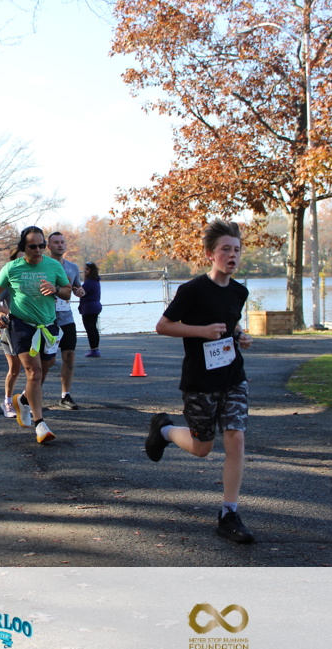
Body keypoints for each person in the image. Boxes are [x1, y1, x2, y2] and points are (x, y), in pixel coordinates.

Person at [146, 220, 255, 544]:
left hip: (233, 376)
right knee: (202, 447)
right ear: (210, 254)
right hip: (200, 380)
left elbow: (230, 324)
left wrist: (240, 335)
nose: (232, 255)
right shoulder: (192, 290)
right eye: (226, 249)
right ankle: (164, 430)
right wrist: (202, 332)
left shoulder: (240, 291)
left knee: (235, 439)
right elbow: (163, 326)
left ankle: (229, 513)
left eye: (237, 250)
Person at [0, 226, 71, 444]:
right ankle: (40, 424)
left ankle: (23, 400)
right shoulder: (12, 268)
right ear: (23, 247)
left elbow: (67, 291)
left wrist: (56, 289)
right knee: (33, 372)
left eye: (41, 245)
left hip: (48, 325)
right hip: (22, 325)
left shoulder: (53, 265)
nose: (38, 250)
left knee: (47, 366)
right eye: (33, 246)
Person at [47, 231, 85, 410]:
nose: (60, 245)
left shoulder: (72, 267)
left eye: (62, 242)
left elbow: (76, 286)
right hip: (47, 318)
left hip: (66, 318)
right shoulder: (43, 266)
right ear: (49, 246)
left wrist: (80, 291)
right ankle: (31, 395)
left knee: (69, 357)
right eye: (56, 242)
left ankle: (65, 395)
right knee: (47, 361)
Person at [0, 249, 25, 418]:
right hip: (11, 330)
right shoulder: (9, 281)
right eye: (20, 259)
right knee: (15, 369)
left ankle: (26, 400)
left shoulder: (34, 279)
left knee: (36, 369)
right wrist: (9, 312)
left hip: (33, 329)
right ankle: (7, 402)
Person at [79, 262, 103, 357]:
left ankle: (93, 349)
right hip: (96, 306)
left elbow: (81, 293)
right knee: (94, 328)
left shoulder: (88, 283)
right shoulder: (96, 281)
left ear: (92, 271)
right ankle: (95, 348)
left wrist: (74, 289)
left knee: (90, 329)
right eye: (85, 269)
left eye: (87, 269)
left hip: (89, 308)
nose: (85, 271)